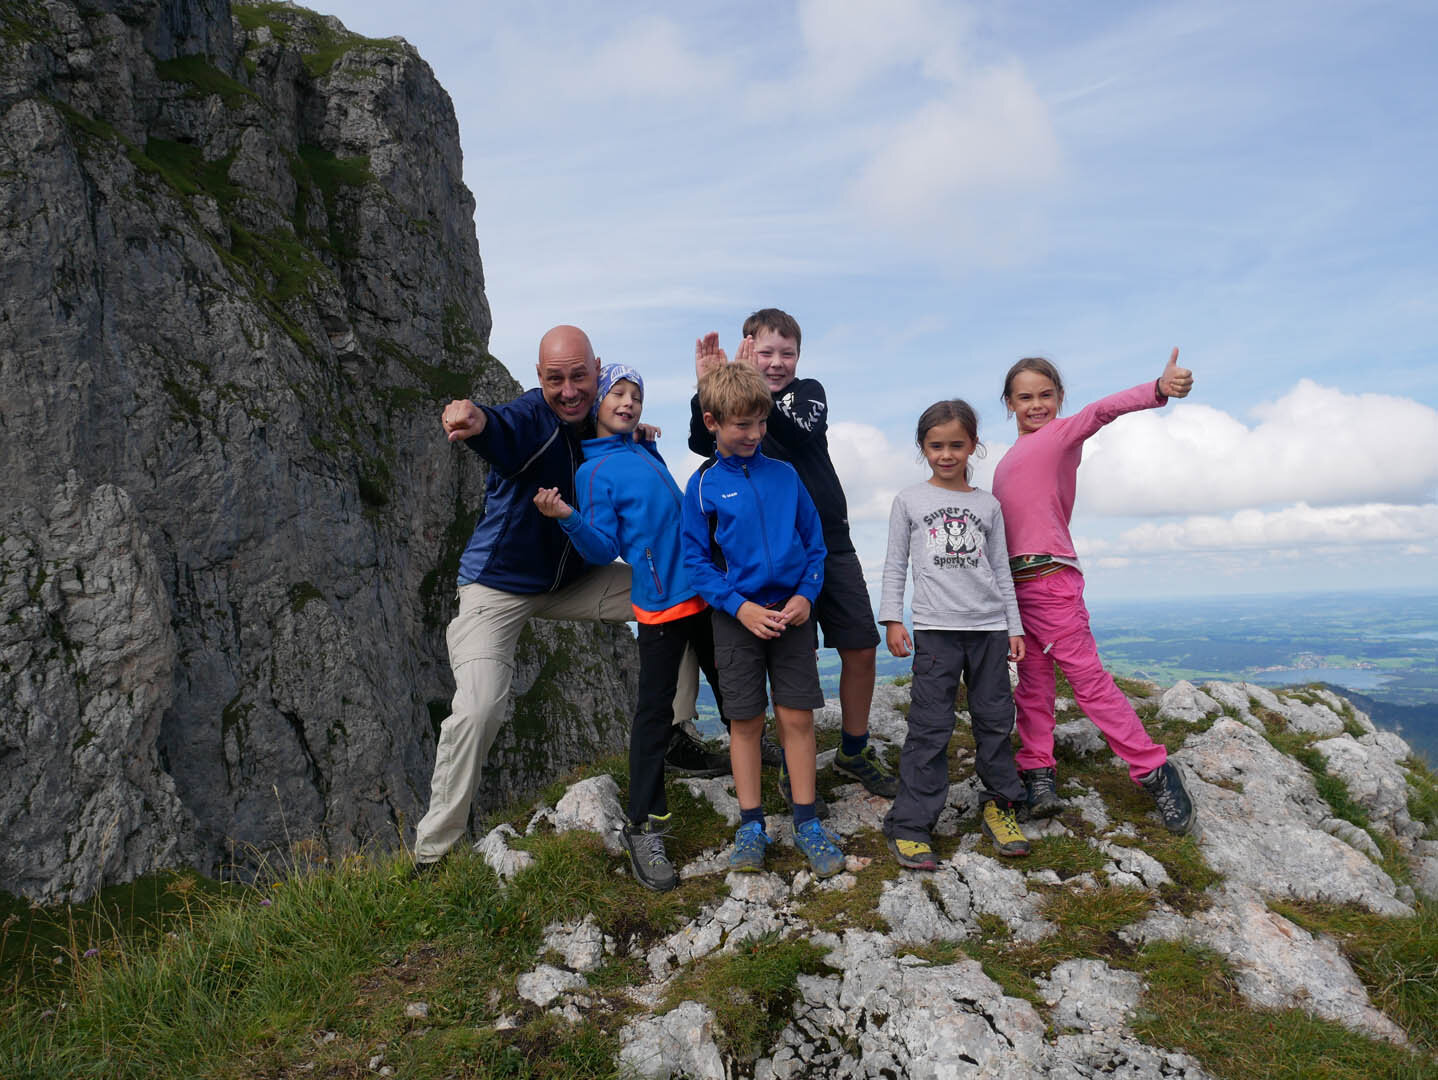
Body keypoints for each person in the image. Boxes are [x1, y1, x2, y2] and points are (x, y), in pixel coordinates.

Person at [413, 326, 644, 870]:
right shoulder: (530, 420)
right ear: (539, 379)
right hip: (497, 589)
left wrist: (634, 429)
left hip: (571, 583)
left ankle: (677, 731)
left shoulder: (599, 421)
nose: (568, 390)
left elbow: (614, 422)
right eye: (554, 379)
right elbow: (502, 428)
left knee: (672, 594)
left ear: (597, 369)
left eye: (580, 377)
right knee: (479, 708)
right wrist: (473, 420)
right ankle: (434, 853)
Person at [688, 309, 897, 804]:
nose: (777, 362)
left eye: (787, 353)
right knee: (785, 663)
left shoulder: (808, 394)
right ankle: (791, 767)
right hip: (769, 557)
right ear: (748, 349)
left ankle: (853, 748)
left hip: (827, 537)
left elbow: (801, 433)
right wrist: (713, 390)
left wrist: (750, 392)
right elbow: (703, 443)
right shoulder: (734, 417)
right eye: (765, 353)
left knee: (860, 644)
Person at [533, 364, 724, 891]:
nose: (628, 402)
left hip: (702, 591)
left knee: (734, 686)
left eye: (636, 395)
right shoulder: (593, 472)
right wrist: (568, 517)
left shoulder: (640, 449)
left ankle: (762, 767)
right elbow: (603, 547)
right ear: (596, 401)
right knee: (653, 715)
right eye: (618, 392)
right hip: (662, 604)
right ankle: (643, 825)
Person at [991, 349, 1197, 834]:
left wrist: (1157, 389)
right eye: (1025, 397)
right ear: (1009, 403)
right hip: (1014, 590)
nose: (1036, 405)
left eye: (1045, 395)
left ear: (1060, 398)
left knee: (1088, 683)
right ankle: (1037, 771)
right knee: (1033, 687)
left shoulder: (1061, 435)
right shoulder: (1004, 463)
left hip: (1051, 579)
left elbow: (1102, 411)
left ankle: (1154, 770)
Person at [680, 363, 845, 878]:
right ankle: (751, 824)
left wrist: (805, 596)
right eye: (741, 425)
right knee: (746, 721)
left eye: (759, 424)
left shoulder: (786, 475)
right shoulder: (703, 486)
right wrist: (740, 608)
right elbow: (695, 562)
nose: (753, 435)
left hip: (793, 615)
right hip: (738, 619)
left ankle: (807, 821)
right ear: (712, 422)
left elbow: (814, 545)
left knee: (797, 719)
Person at [879, 401, 1030, 868]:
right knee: (929, 728)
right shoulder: (909, 500)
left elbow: (1001, 569)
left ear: (973, 445)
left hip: (987, 630)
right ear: (923, 447)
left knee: (994, 721)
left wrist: (1014, 626)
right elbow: (895, 564)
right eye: (936, 445)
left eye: (957, 445)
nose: (946, 454)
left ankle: (1001, 806)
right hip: (935, 631)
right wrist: (892, 619)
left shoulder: (988, 504)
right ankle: (911, 824)